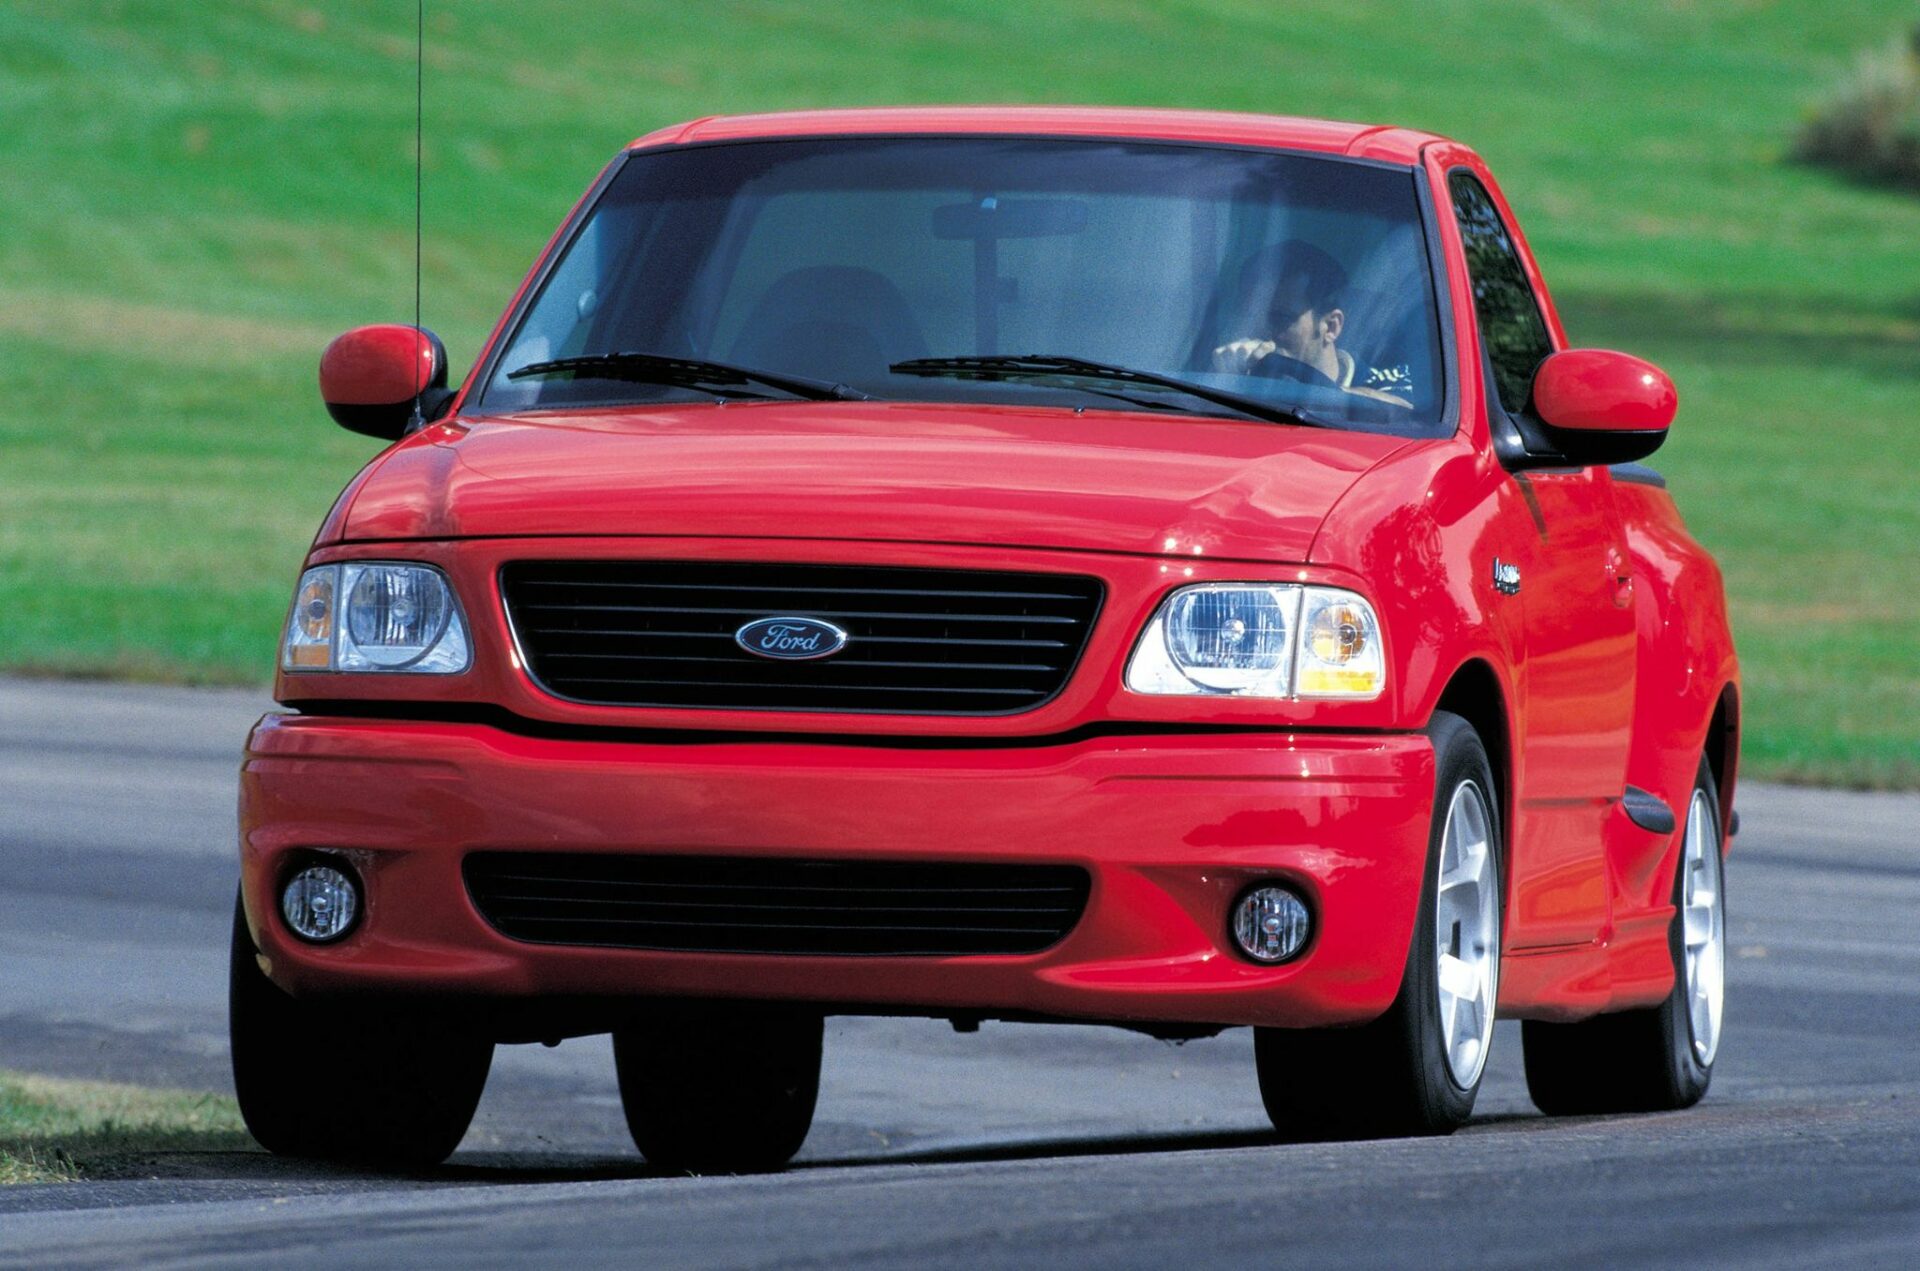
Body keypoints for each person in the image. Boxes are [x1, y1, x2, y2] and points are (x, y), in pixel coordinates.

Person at [1208, 240, 1413, 409]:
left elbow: (1406, 415)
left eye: (1281, 318)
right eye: (1251, 317)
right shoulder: (1232, 376)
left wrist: (1298, 387)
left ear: (1331, 327)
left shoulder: (1386, 381)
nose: (1262, 332)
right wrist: (1224, 387)